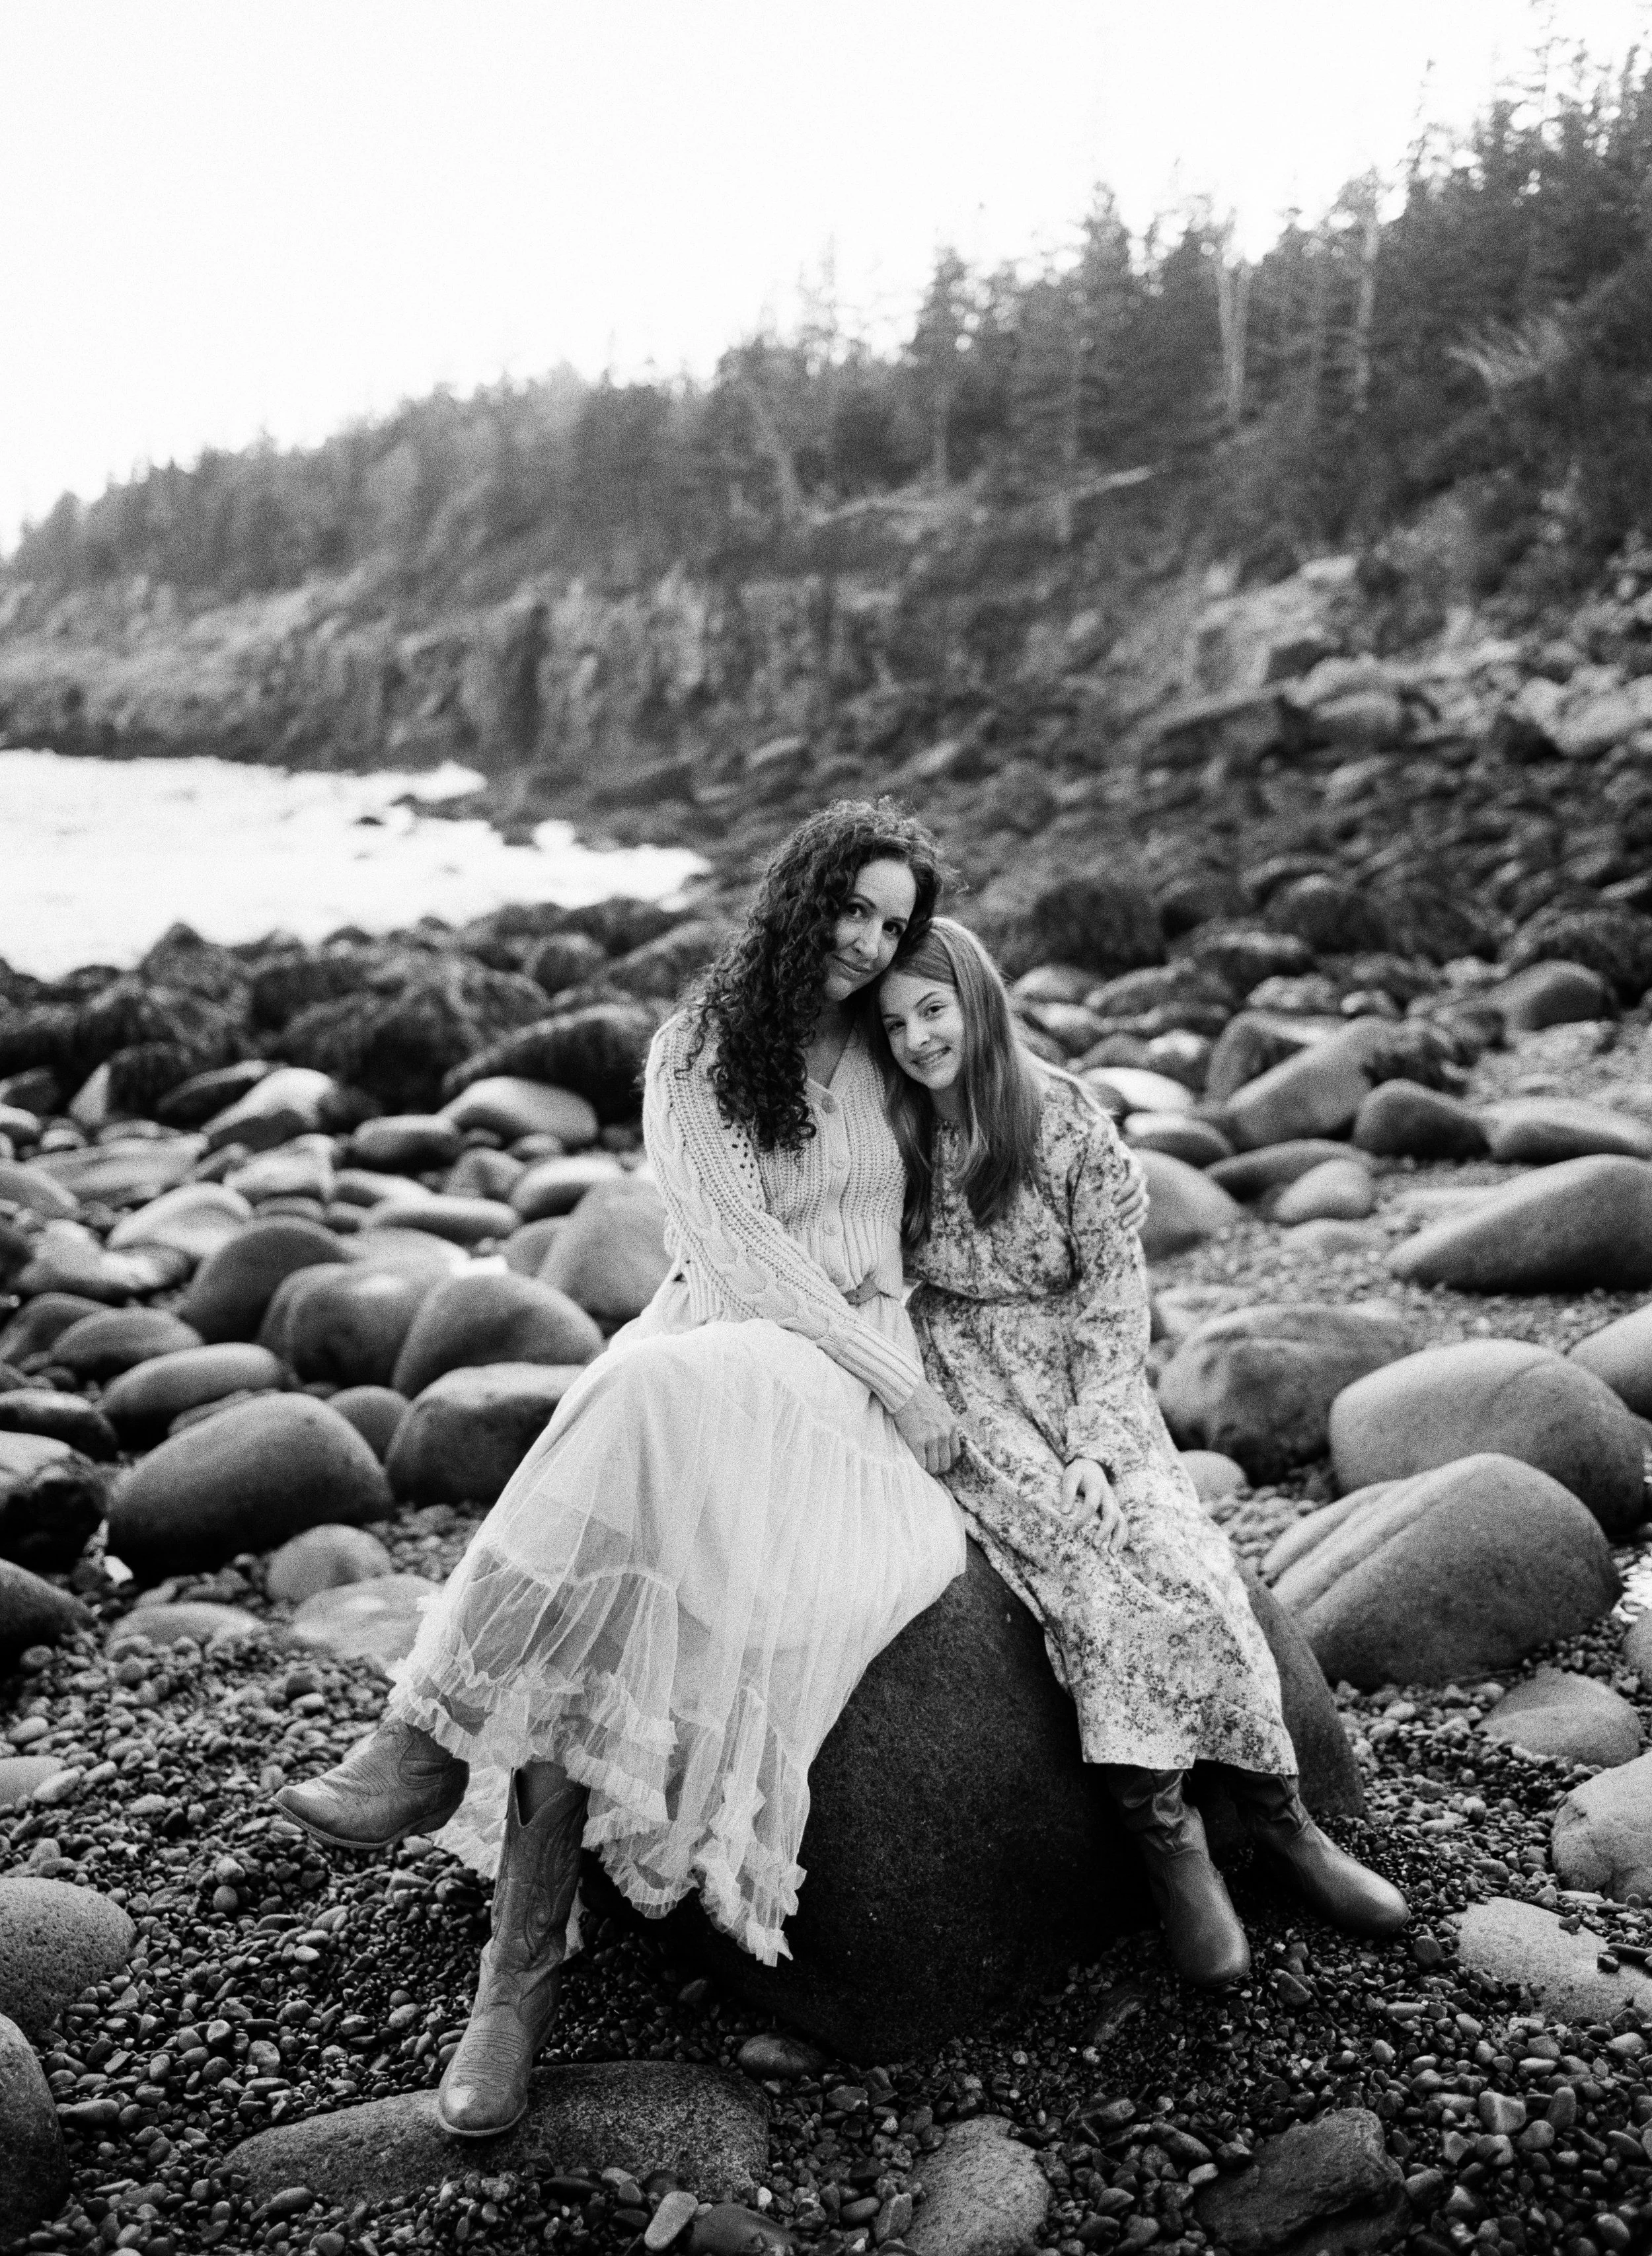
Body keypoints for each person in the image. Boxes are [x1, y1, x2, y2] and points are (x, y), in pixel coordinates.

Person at [276, 801, 975, 2137]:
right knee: (621, 1494)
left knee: (629, 1396)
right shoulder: (696, 1051)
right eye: (853, 909)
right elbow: (733, 1256)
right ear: (803, 895)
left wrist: (951, 1385)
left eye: (896, 925)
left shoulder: (898, 1054)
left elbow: (1004, 1163)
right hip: (719, 1344)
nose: (870, 943)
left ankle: (431, 1753)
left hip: (850, 1393)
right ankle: (513, 1971)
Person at [874, 917, 1408, 1988]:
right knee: (1084, 1571)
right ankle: (1170, 1845)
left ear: (978, 1001)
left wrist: (1102, 1448)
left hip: (1081, 1375)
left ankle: (1283, 1818)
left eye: (934, 1007)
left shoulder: (1066, 1120)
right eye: (893, 1023)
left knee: (1186, 1556)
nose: (919, 1037)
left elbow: (1117, 1303)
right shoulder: (887, 1135)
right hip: (964, 1384)